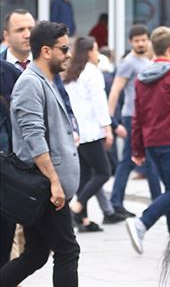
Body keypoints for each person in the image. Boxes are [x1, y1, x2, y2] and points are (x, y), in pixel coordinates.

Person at [1, 21, 80, 287]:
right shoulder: (29, 84)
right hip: (44, 184)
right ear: (46, 51)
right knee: (68, 251)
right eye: (64, 48)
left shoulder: (44, 80)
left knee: (35, 255)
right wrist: (55, 182)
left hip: (47, 184)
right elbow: (34, 139)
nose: (68, 54)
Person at [125, 27, 170, 254]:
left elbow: (137, 117)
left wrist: (137, 148)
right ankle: (142, 222)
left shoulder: (142, 79)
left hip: (152, 143)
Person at [63, 37, 117, 232]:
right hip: (92, 131)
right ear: (88, 52)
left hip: (77, 131)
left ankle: (83, 219)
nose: (98, 55)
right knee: (103, 172)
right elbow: (99, 102)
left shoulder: (70, 72)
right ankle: (77, 208)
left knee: (85, 175)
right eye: (95, 50)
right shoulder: (92, 72)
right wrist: (107, 128)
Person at [107, 24, 159, 218]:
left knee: (144, 159)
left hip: (146, 117)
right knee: (130, 159)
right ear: (131, 42)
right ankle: (117, 202)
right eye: (136, 41)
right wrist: (110, 121)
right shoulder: (128, 62)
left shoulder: (145, 60)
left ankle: (156, 200)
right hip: (132, 117)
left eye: (143, 40)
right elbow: (115, 91)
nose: (140, 43)